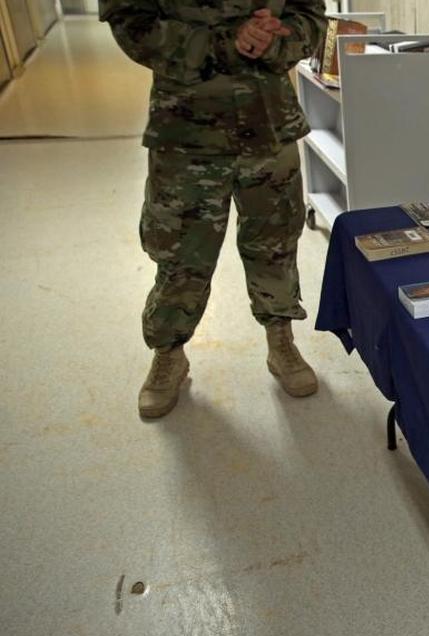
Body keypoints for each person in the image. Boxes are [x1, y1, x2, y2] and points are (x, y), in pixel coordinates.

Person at [99, 1, 328, 418]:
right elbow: (131, 23)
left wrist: (280, 38)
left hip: (268, 121)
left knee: (276, 241)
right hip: (187, 131)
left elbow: (310, 15)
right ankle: (169, 354)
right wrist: (224, 43)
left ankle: (281, 341)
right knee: (181, 254)